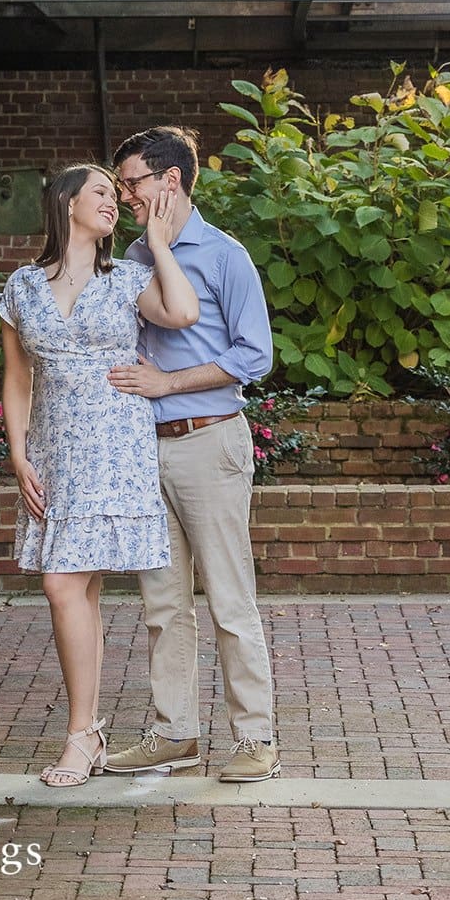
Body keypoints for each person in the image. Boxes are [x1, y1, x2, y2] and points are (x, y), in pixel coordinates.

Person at [0, 163, 199, 787]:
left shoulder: (129, 278)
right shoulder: (21, 288)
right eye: (102, 194)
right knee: (74, 588)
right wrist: (18, 453)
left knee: (64, 584)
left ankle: (81, 734)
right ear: (65, 203)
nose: (114, 203)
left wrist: (160, 244)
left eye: (117, 195)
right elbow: (17, 378)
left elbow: (184, 312)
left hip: (114, 447)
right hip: (54, 452)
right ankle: (87, 728)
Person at [104, 125, 279, 783]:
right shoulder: (132, 255)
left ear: (168, 180)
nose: (124, 194)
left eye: (132, 182)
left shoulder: (225, 254)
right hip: (144, 450)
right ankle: (172, 733)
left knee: (229, 598)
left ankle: (255, 739)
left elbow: (253, 356)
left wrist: (168, 383)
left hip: (209, 440)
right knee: (160, 602)